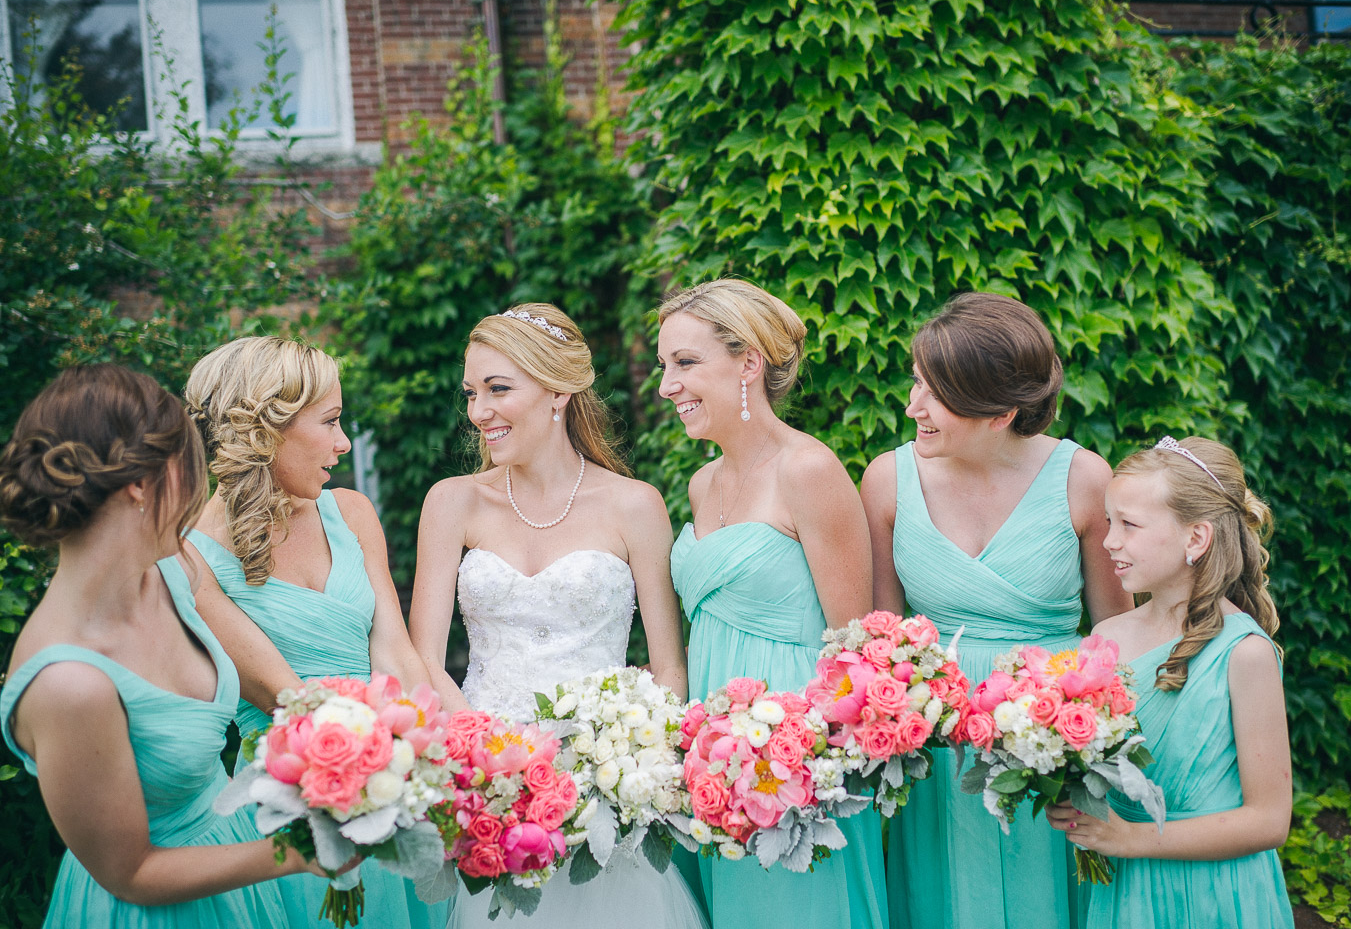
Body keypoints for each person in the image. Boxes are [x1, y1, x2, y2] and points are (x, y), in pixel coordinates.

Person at [407, 304, 706, 929]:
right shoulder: (451, 502)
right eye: (471, 393)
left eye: (497, 389)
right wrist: (493, 769)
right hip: (492, 794)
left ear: (558, 392)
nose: (478, 412)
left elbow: (669, 668)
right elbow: (423, 664)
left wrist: (623, 770)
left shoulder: (636, 506)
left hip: (603, 794)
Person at [0, 364, 319, 928]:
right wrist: (299, 852)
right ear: (142, 486)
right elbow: (131, 872)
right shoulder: (69, 683)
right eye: (193, 469)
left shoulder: (174, 566)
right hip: (153, 909)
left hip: (238, 872)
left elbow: (275, 683)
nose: (200, 495)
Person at [863, 292, 1131, 929]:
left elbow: (1116, 636)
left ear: (999, 412)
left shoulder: (1085, 479)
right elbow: (882, 639)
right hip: (939, 750)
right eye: (916, 383)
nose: (913, 407)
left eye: (935, 394)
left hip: (1055, 744)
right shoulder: (885, 479)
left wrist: (1084, 734)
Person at [182, 336, 448, 929]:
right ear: (267, 428)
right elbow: (282, 697)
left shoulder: (350, 512)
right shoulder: (188, 558)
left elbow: (396, 655)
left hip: (391, 785)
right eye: (329, 422)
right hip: (287, 808)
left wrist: (435, 767)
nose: (343, 443)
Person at [657, 278, 889, 929]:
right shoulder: (703, 483)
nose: (666, 386)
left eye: (685, 363)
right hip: (711, 758)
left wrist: (796, 763)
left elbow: (856, 650)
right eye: (663, 366)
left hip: (792, 768)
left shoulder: (809, 471)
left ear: (749, 364)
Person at [1045, 436, 1294, 928]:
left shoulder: (1243, 654)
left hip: (1216, 894)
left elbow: (1269, 820)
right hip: (1126, 894)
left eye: (1129, 525)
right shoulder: (1104, 638)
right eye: (1110, 521)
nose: (1109, 540)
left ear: (1196, 538)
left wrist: (1132, 839)